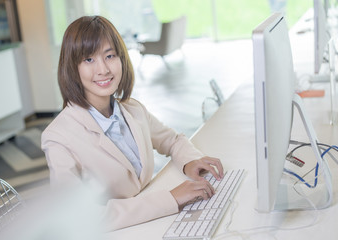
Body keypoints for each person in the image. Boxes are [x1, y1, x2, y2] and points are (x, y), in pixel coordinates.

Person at [41, 15, 224, 232]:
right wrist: (171, 198)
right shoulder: (58, 137)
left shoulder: (132, 109)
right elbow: (79, 217)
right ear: (72, 68)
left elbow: (172, 141)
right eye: (89, 59)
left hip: (155, 225)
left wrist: (190, 161)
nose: (103, 69)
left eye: (109, 56)